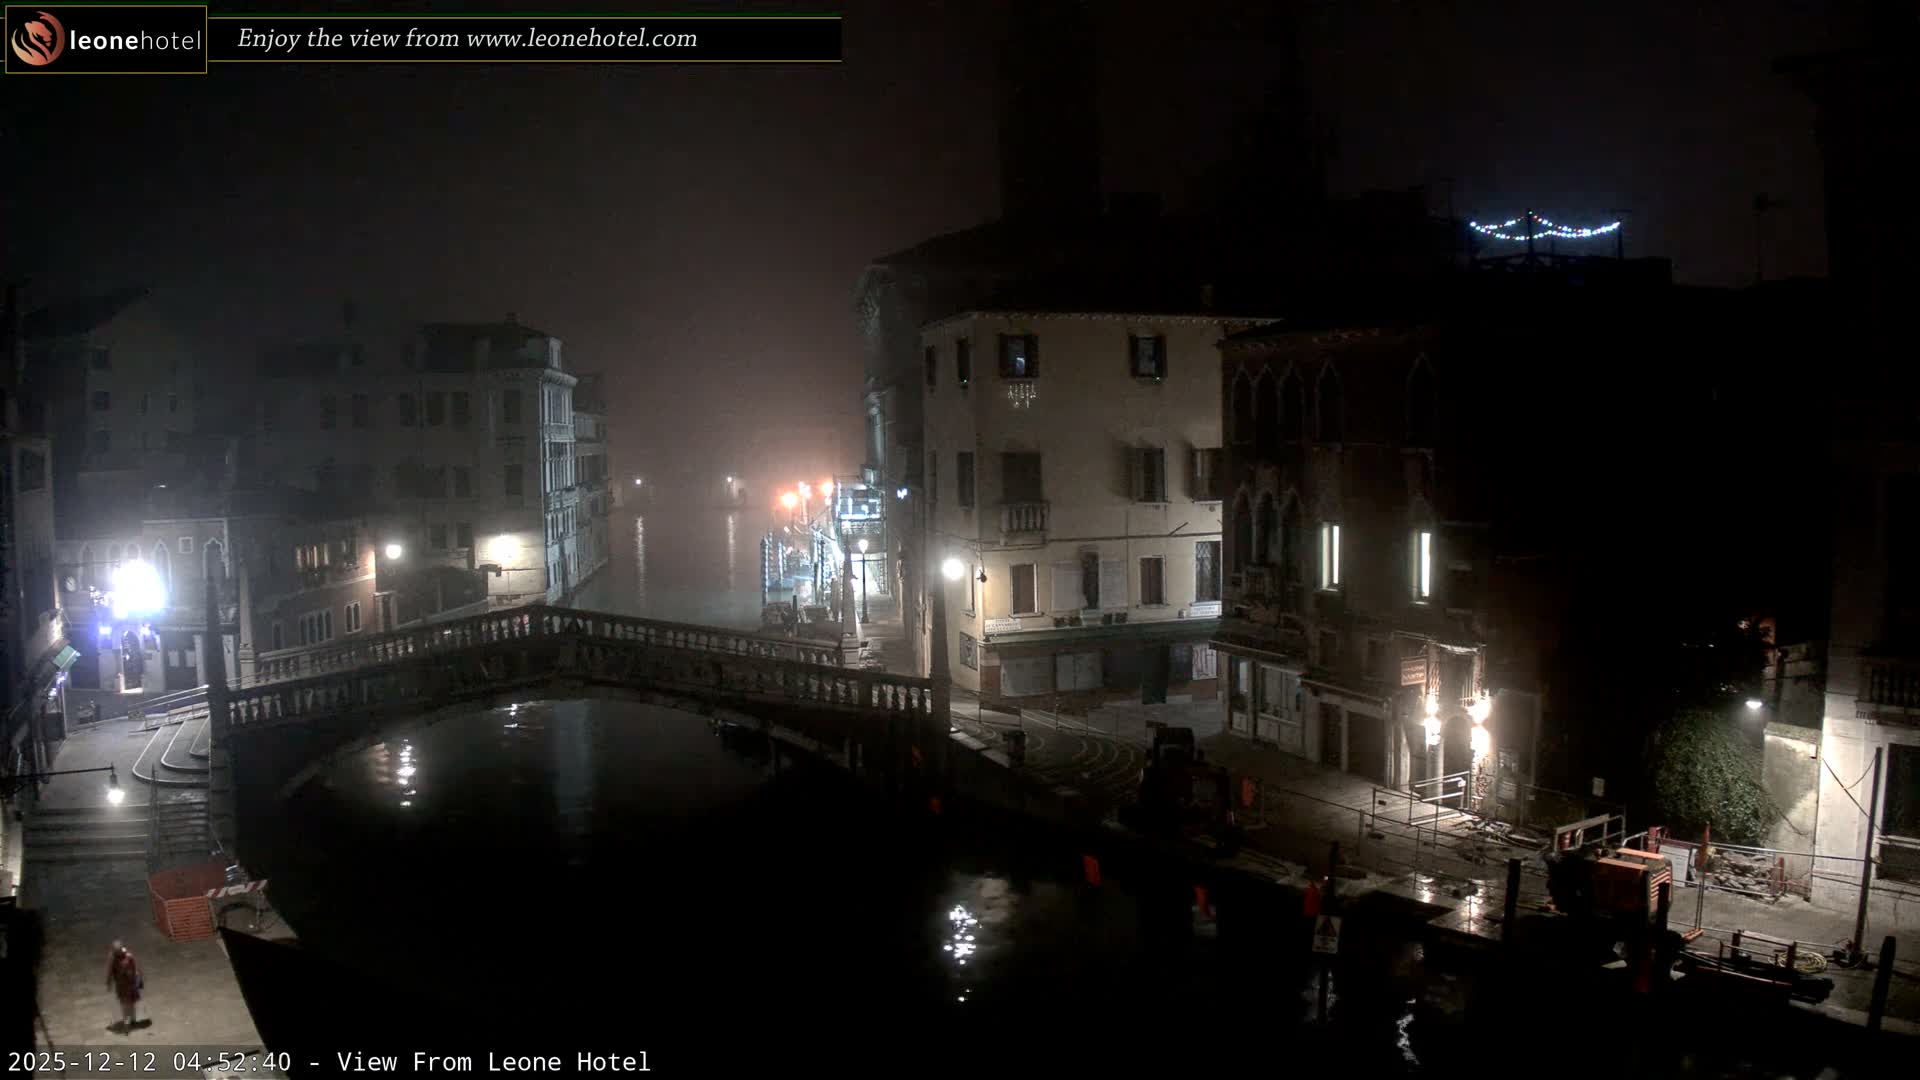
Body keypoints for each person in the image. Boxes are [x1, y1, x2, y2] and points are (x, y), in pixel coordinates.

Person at [106, 941, 142, 1031]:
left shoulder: (128, 956)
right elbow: (110, 971)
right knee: (125, 1003)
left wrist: (137, 979)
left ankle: (132, 1019)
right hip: (122, 984)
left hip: (130, 983)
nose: (118, 952)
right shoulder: (113, 957)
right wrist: (109, 982)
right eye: (116, 951)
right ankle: (127, 1021)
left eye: (119, 950)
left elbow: (135, 968)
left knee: (131, 1002)